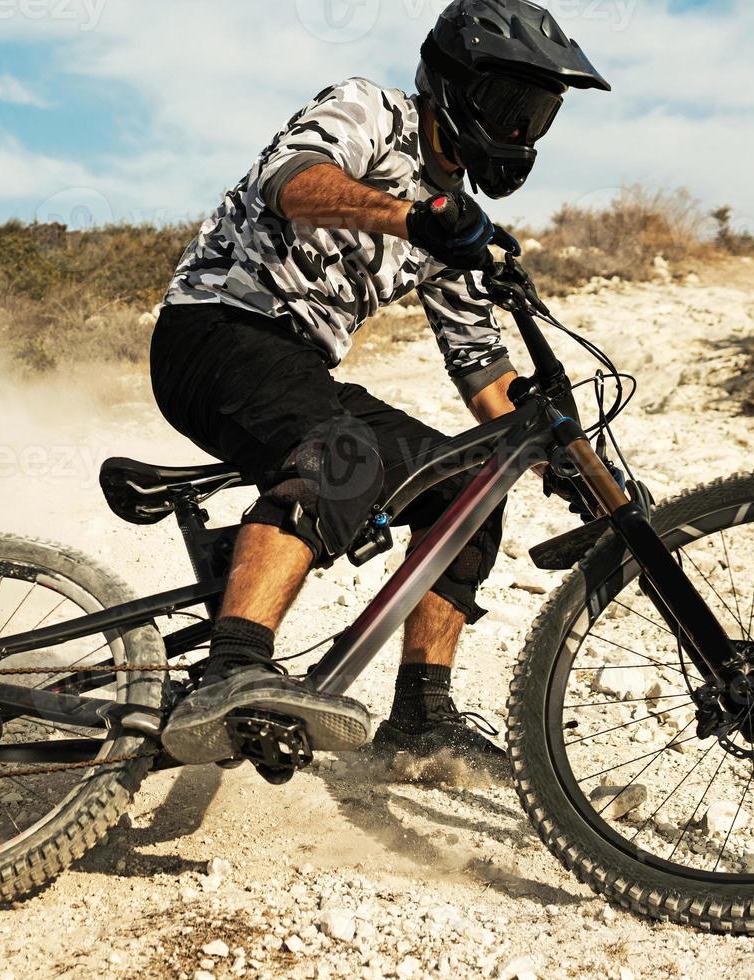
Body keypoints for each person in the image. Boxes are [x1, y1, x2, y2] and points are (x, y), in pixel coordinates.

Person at [149, 0, 611, 776]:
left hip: (300, 363)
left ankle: (420, 718)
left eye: (538, 118)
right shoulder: (370, 108)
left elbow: (482, 371)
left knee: (468, 486)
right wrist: (413, 217)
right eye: (510, 108)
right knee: (343, 456)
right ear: (457, 85)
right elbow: (291, 181)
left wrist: (577, 472)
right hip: (216, 330)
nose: (521, 133)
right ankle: (232, 673)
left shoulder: (455, 218)